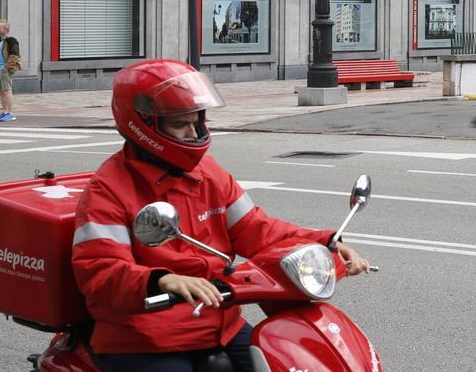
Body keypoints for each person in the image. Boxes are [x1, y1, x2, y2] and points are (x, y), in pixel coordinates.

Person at [71, 59, 371, 372]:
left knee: (289, 360)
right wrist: (162, 280)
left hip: (219, 323)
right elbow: (99, 271)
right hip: (143, 337)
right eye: (180, 124)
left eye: (197, 122)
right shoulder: (108, 189)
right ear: (143, 125)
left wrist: (327, 242)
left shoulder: (209, 174)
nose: (193, 133)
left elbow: (258, 229)